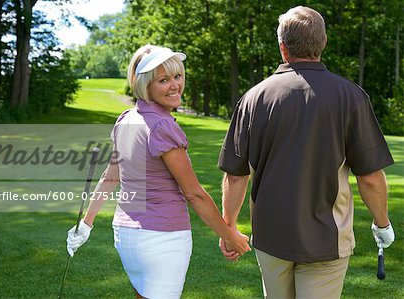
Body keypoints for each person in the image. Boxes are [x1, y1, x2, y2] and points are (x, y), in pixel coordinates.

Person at [217, 6, 395, 299]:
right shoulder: (350, 97)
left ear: (282, 47)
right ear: (323, 42)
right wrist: (382, 224)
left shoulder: (253, 98)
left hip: (271, 238)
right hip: (327, 239)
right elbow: (371, 176)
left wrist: (228, 228)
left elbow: (235, 176)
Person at [66, 44, 251, 299]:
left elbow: (110, 176)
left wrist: (86, 224)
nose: (175, 85)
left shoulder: (126, 119)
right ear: (146, 85)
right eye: (163, 80)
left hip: (126, 236)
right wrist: (230, 235)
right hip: (162, 239)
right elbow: (194, 194)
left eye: (178, 76)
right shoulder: (162, 126)